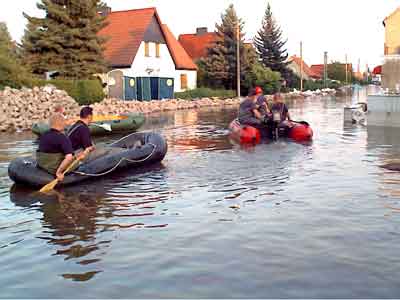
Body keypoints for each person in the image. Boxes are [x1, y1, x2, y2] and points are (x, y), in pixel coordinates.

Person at [36, 114, 75, 181]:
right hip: (53, 169)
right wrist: (59, 172)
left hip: (43, 165)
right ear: (62, 123)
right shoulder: (63, 138)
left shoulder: (43, 135)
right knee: (75, 158)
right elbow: (69, 157)